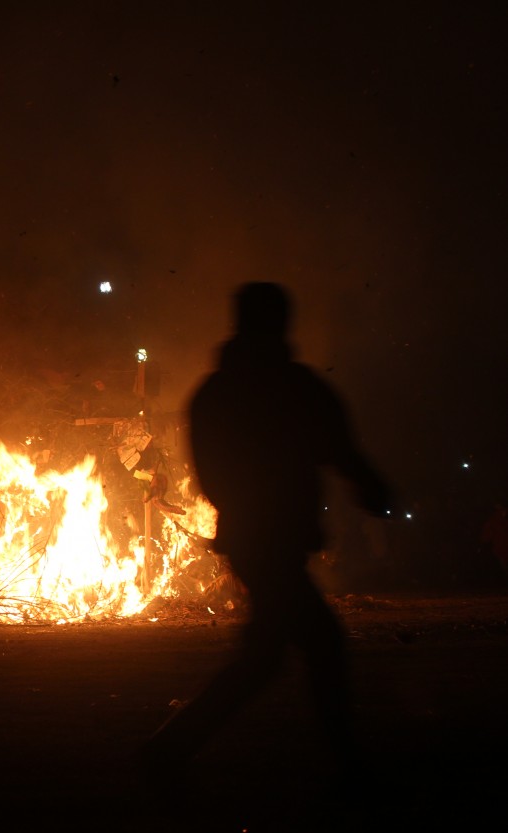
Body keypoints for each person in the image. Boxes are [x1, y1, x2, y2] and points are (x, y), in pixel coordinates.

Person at [145, 282, 393, 794]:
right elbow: (339, 448)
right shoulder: (293, 386)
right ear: (281, 323)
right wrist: (372, 489)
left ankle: (171, 748)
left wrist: (243, 513)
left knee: (267, 656)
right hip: (272, 542)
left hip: (249, 540)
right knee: (312, 648)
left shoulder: (215, 392)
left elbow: (212, 472)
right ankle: (350, 769)